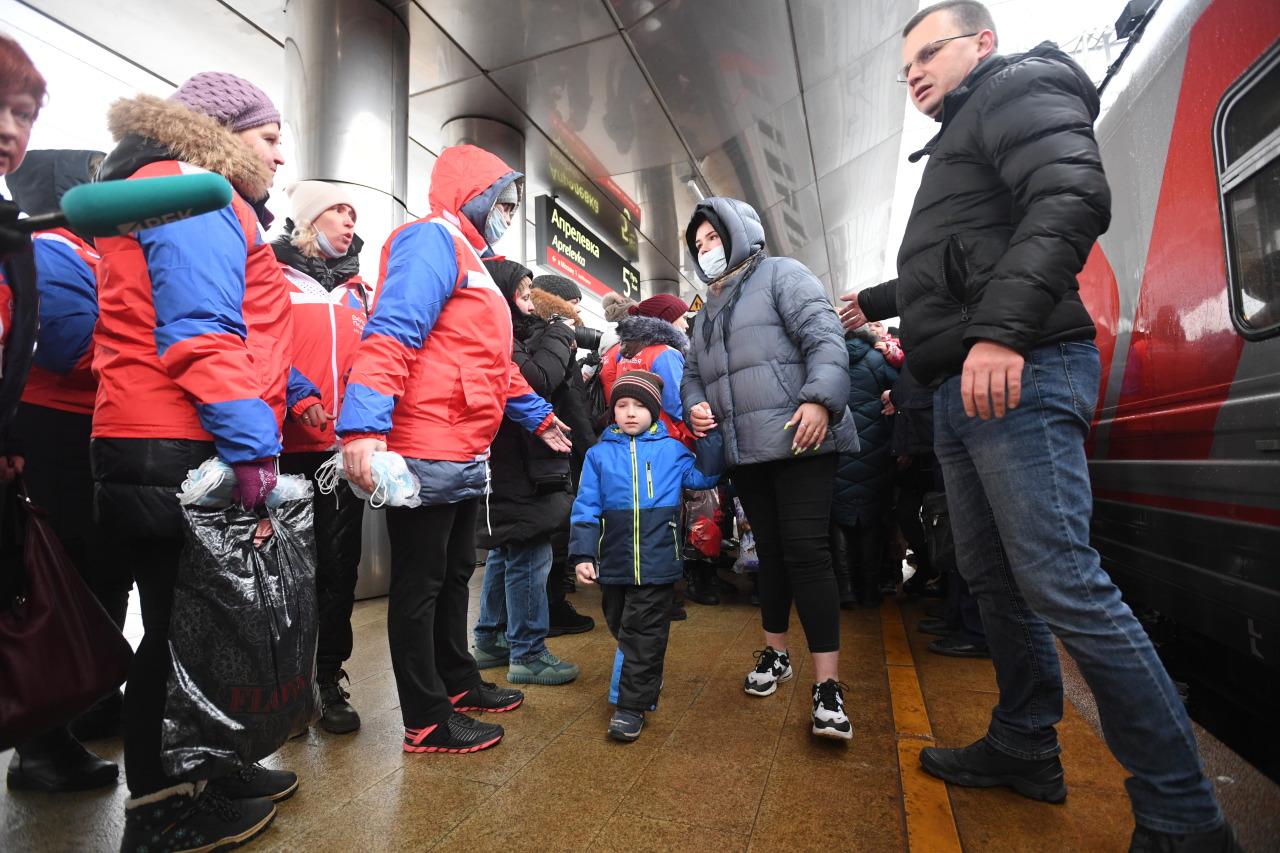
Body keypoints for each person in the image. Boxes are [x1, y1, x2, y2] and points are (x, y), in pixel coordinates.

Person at [839, 3, 1239, 850]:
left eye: (927, 53)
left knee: (1062, 580)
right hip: (959, 386)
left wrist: (1000, 331)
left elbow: (1070, 193)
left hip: (1018, 369)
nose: (912, 72)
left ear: (982, 43)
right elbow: (965, 254)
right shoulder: (961, 131)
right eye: (903, 64)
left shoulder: (1018, 84)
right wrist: (873, 302)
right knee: (995, 577)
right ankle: (1025, 741)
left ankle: (1183, 817)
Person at [92, 71, 322, 851]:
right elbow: (201, 332)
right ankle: (161, 805)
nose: (280, 152)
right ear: (222, 132)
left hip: (171, 428)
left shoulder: (195, 191)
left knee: (200, 625)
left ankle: (211, 767)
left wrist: (288, 392)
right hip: (174, 436)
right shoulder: (192, 190)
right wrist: (253, 443)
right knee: (175, 632)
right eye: (268, 135)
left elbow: (238, 324)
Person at [336, 144, 573, 755]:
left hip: (464, 445)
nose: (509, 213)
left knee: (453, 574)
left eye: (514, 205)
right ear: (473, 194)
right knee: (420, 584)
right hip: (425, 441)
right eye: (503, 201)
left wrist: (539, 416)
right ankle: (425, 717)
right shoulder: (431, 240)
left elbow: (496, 367)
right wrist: (362, 427)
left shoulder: (472, 257)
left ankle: (458, 682)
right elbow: (390, 333)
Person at [681, 196, 859, 741]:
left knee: (807, 554)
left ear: (737, 234)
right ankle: (776, 653)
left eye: (713, 238)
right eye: (699, 244)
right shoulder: (706, 309)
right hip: (746, 453)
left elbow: (825, 337)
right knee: (771, 555)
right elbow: (692, 373)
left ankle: (827, 685)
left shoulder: (784, 275)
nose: (706, 249)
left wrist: (821, 400)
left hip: (802, 440)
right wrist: (694, 402)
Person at [4, 149, 134, 791]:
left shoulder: (86, 252)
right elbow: (65, 345)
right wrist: (145, 346)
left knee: (100, 568)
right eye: (90, 180)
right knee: (65, 575)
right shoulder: (53, 247)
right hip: (56, 429)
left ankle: (91, 700)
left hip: (83, 425)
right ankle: (43, 747)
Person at [271, 180, 375, 734]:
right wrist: (299, 394)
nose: (349, 221)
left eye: (354, 213)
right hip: (284, 449)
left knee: (339, 569)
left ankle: (328, 676)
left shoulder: (361, 290)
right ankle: (287, 685)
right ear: (310, 220)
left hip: (339, 453)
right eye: (338, 210)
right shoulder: (271, 274)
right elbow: (258, 344)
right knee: (288, 572)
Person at [570, 370, 723, 741]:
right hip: (615, 562)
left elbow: (704, 477)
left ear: (654, 411)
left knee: (642, 633)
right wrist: (582, 554)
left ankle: (630, 706)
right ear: (613, 411)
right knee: (622, 626)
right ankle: (645, 671)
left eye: (640, 405)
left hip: (657, 563)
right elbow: (586, 506)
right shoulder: (598, 455)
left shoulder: (672, 449)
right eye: (622, 405)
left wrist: (710, 437)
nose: (631, 412)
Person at [471, 258, 580, 686]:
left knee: (508, 549)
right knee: (531, 551)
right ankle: (528, 652)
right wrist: (560, 331)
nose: (529, 301)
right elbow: (536, 380)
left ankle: (490, 638)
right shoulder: (498, 333)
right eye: (522, 291)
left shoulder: (510, 333)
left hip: (515, 463)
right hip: (520, 464)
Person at [528, 273, 597, 636]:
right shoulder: (553, 338)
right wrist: (590, 450)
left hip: (546, 445)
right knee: (555, 528)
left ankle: (546, 606)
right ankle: (551, 609)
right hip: (557, 446)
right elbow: (571, 404)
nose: (578, 312)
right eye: (573, 304)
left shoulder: (533, 334)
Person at [831, 325, 898, 608]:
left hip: (838, 449)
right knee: (871, 519)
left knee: (838, 518)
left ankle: (845, 588)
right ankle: (870, 589)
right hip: (876, 451)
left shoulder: (829, 361)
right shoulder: (878, 360)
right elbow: (900, 392)